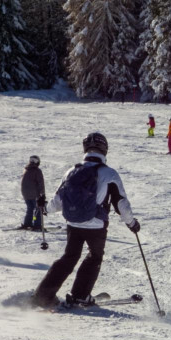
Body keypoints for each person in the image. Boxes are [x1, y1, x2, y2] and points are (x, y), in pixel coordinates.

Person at [32, 132, 139, 308]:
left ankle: (43, 295)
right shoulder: (109, 174)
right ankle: (80, 295)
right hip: (96, 225)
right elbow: (121, 203)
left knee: (69, 257)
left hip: (73, 223)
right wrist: (131, 223)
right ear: (104, 150)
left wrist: (45, 210)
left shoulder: (71, 171)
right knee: (95, 256)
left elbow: (58, 200)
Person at [21, 155, 45, 230]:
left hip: (26, 194)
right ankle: (36, 224)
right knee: (38, 210)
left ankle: (27, 223)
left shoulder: (26, 169)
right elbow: (41, 183)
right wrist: (42, 195)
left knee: (30, 208)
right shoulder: (37, 171)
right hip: (34, 195)